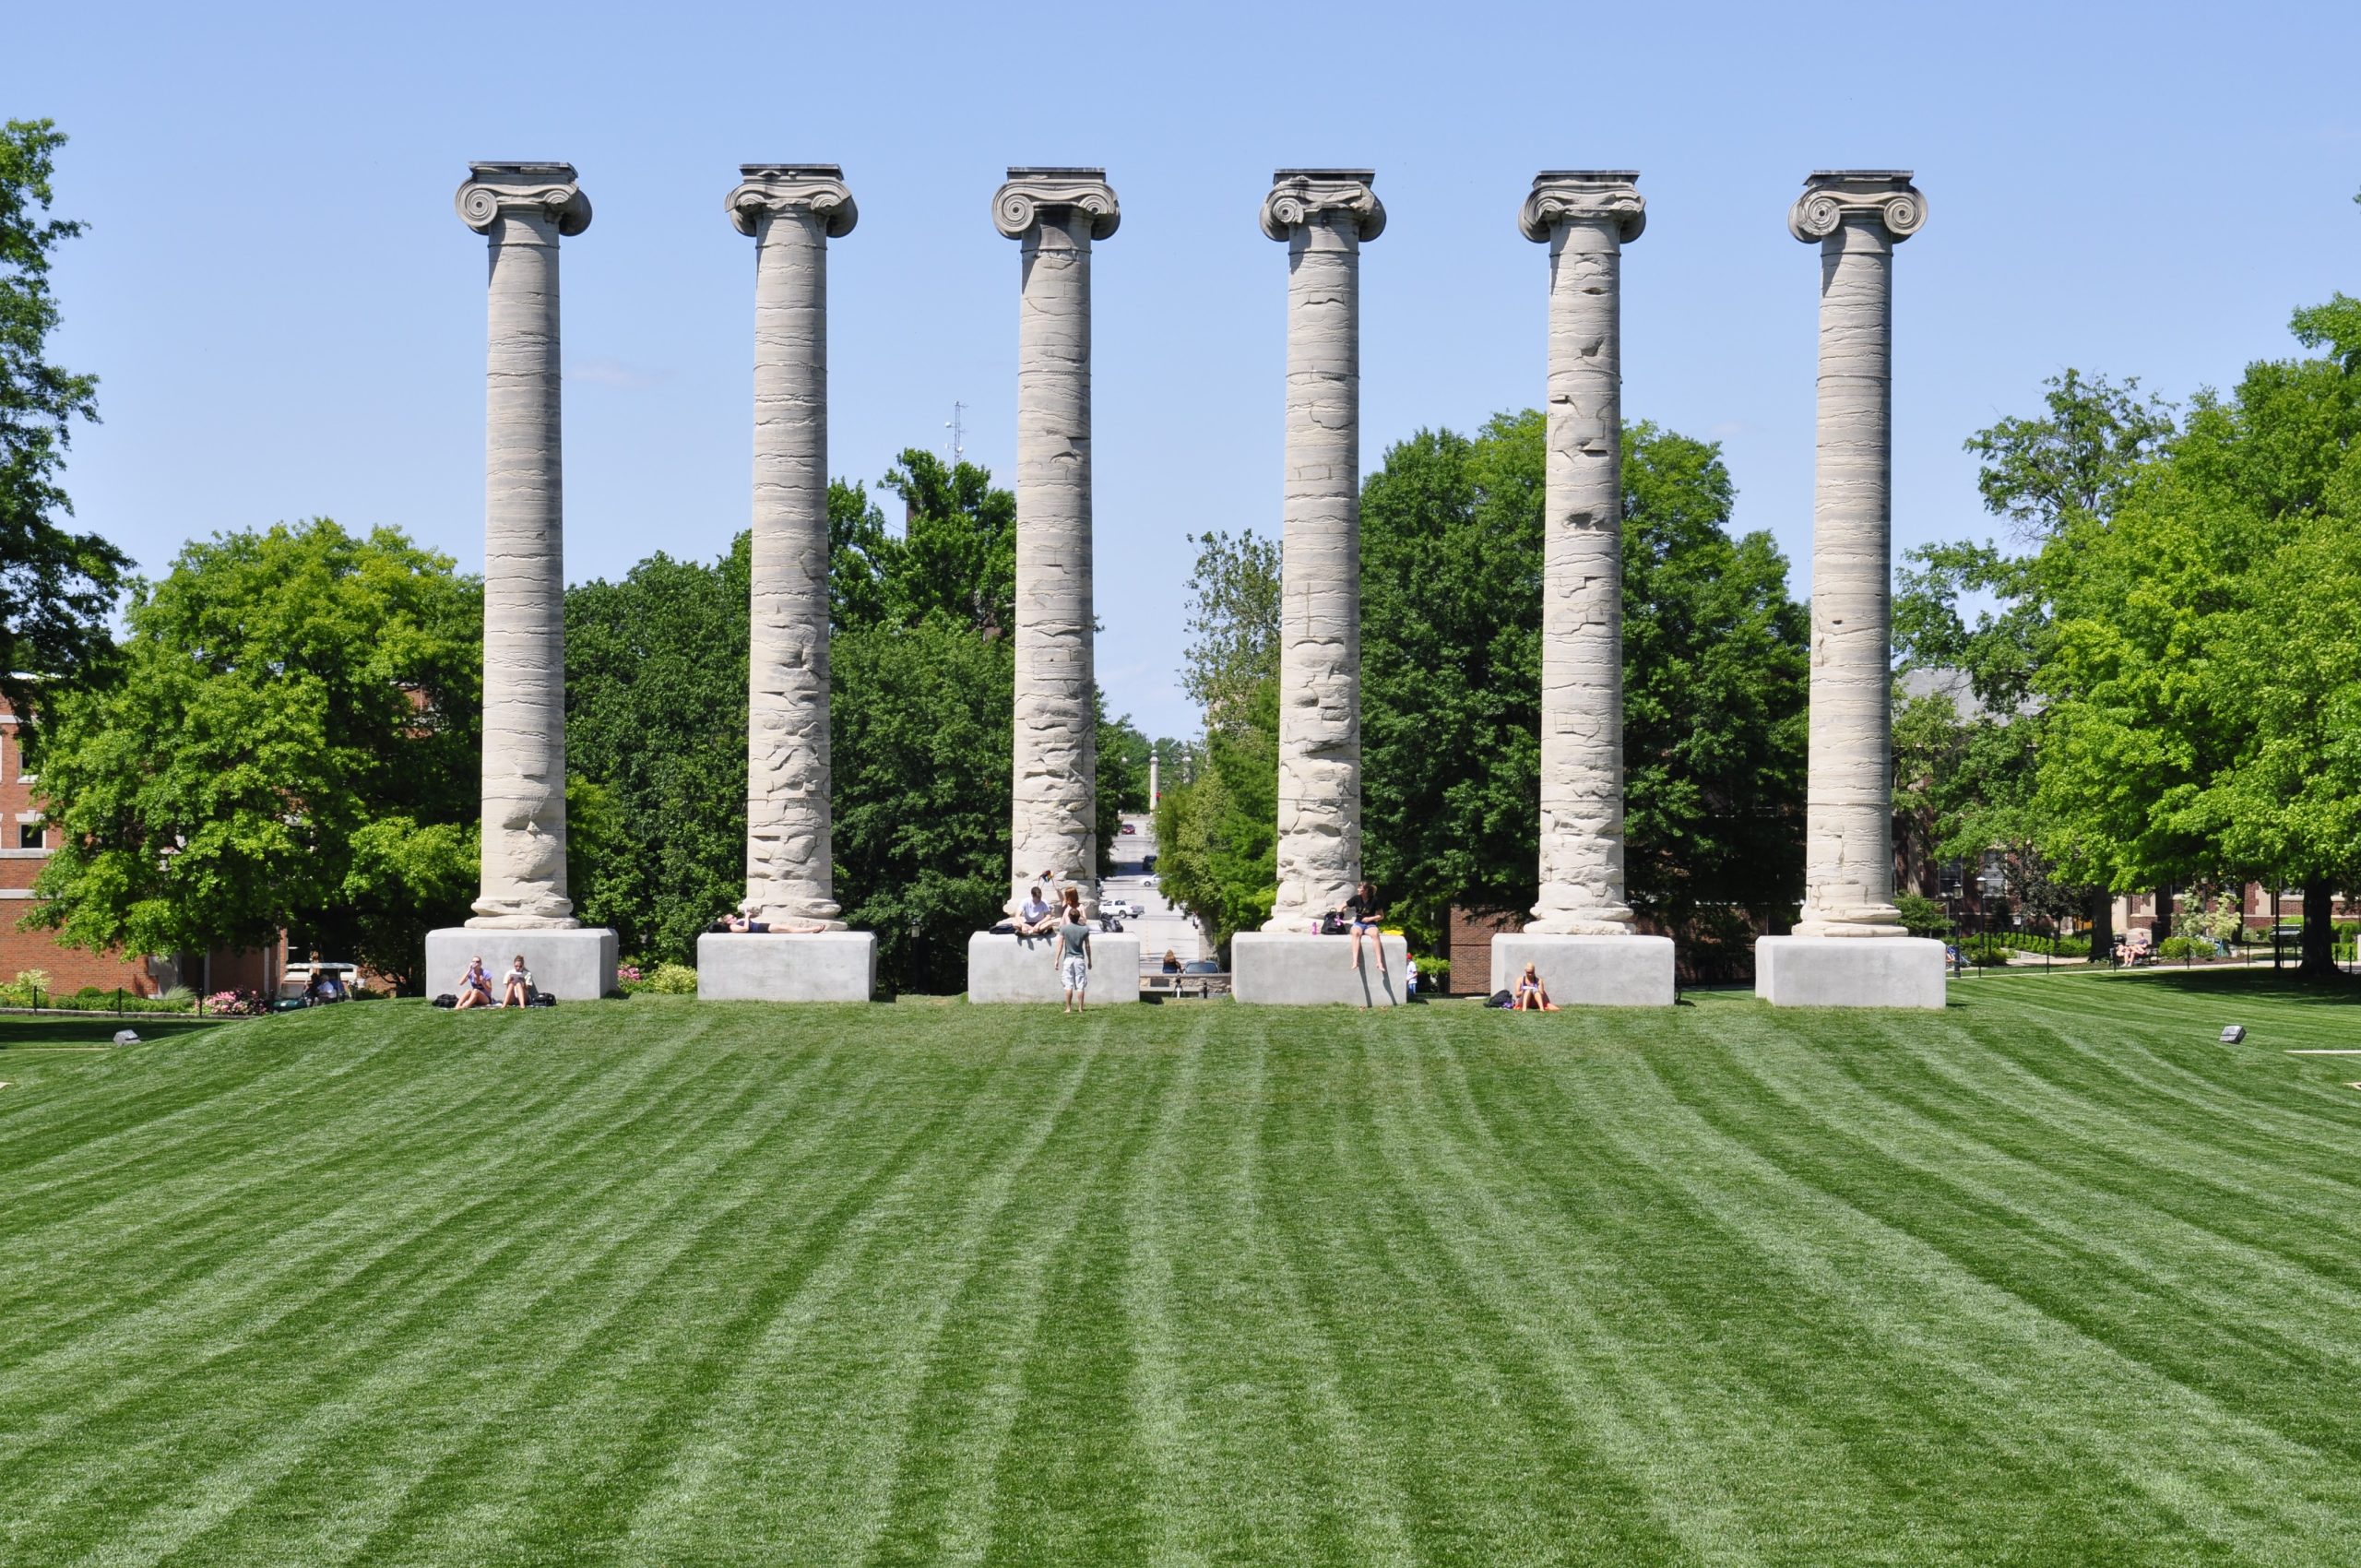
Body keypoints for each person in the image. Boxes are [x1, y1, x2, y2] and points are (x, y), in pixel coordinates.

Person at [1054, 899, 1094, 1013]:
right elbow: (1087, 946)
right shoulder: (1085, 929)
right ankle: (1081, 1008)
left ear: (1069, 917)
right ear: (1078, 917)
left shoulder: (1064, 929)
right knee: (1080, 984)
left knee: (1068, 984)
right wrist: (1090, 960)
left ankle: (1068, 1008)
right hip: (1079, 958)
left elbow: (1060, 945)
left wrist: (1056, 959)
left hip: (1068, 958)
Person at [1342, 880, 1385, 973]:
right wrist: (1340, 912)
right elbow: (1342, 906)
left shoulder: (1375, 900)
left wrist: (1370, 919)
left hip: (1370, 924)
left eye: (1360, 888)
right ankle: (1355, 961)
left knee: (1375, 934)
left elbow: (1381, 916)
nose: (1358, 889)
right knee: (1356, 933)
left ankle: (1379, 962)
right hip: (1358, 923)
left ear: (1365, 890)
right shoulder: (1356, 898)